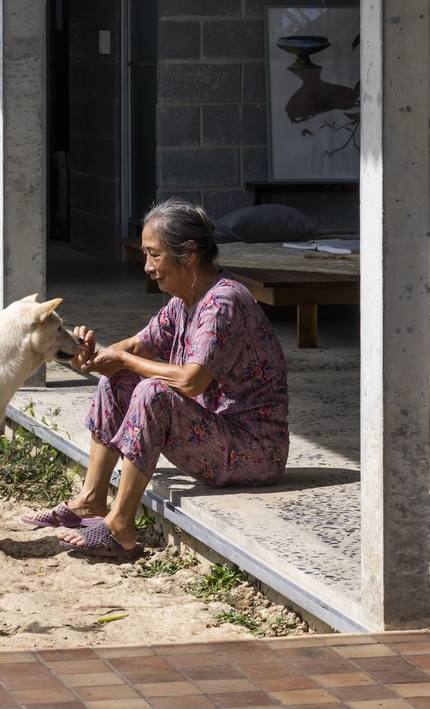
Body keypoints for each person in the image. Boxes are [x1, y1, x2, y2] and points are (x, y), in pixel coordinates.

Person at [22, 197, 289, 560]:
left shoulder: (224, 303)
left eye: (154, 255)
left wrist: (123, 360)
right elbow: (136, 346)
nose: (147, 266)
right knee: (119, 379)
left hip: (253, 452)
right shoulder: (184, 302)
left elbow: (192, 381)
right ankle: (91, 500)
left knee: (153, 392)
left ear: (189, 254)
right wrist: (89, 353)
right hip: (216, 436)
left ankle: (120, 526)